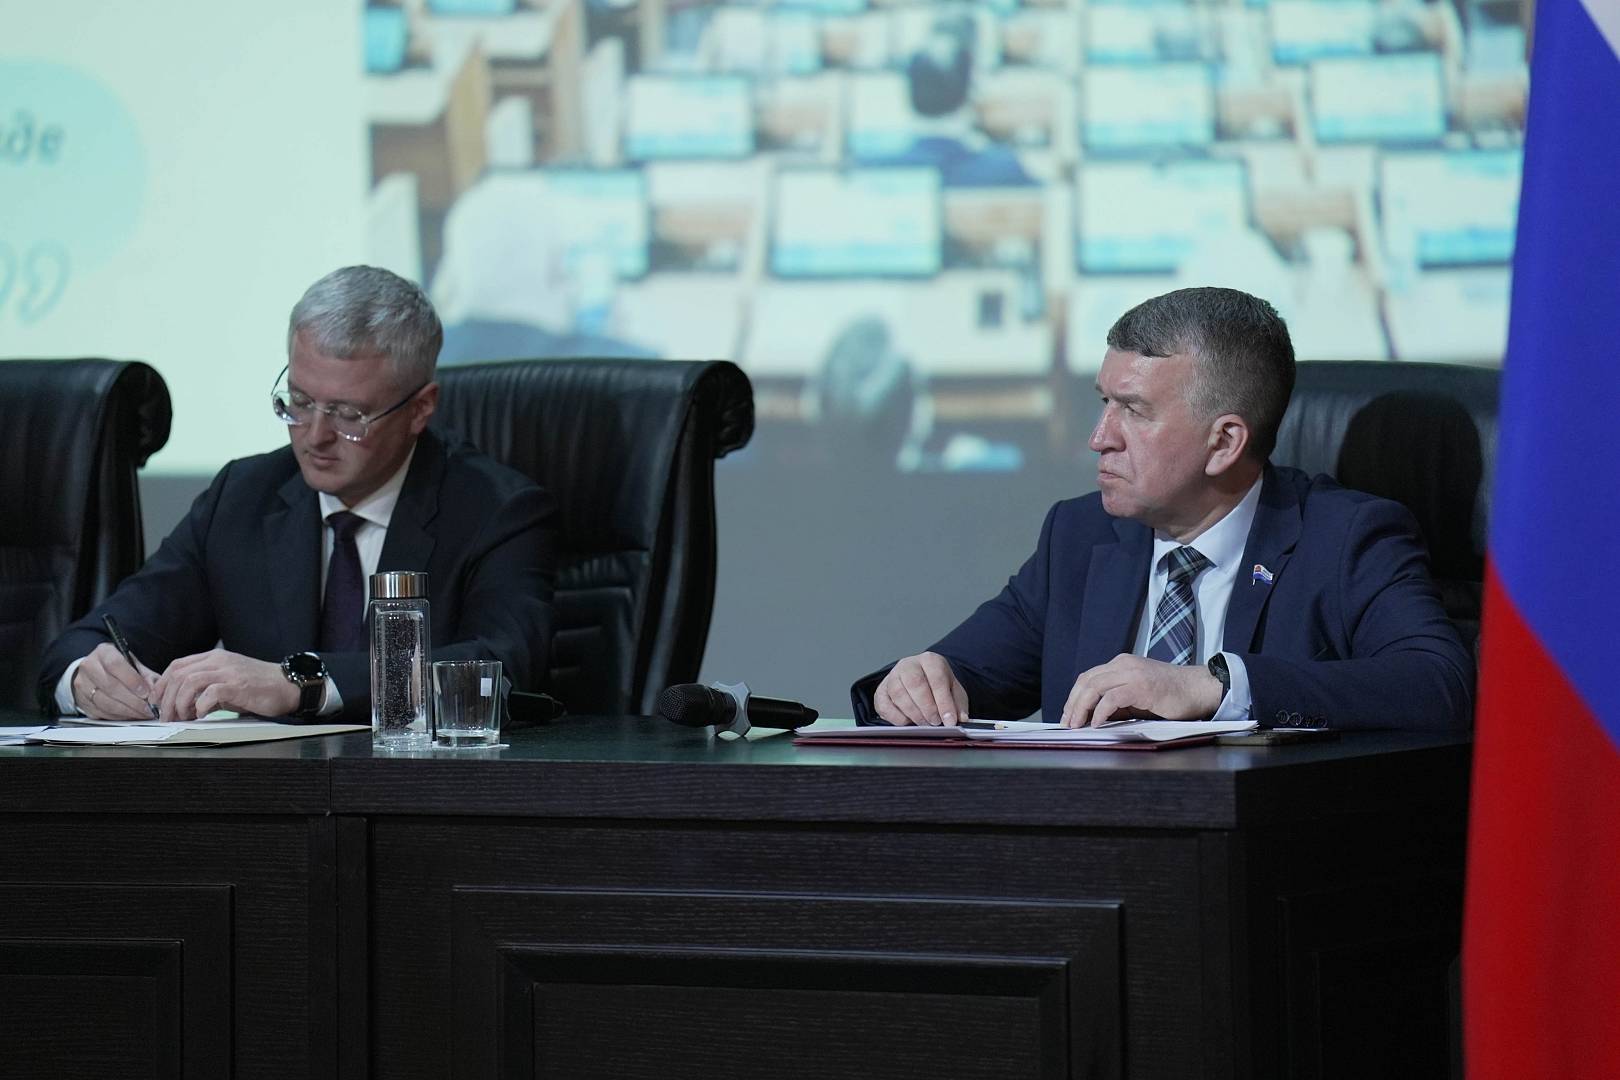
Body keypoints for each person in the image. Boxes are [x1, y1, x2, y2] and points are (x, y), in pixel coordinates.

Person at [852, 286, 1473, 731]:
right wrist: (916, 684)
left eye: (1134, 410)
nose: (1099, 437)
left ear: (1224, 442)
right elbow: (959, 675)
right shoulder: (1080, 536)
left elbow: (1439, 684)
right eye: (1104, 402)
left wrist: (1215, 686)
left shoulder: (1344, 538)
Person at [38, 265, 557, 722]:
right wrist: (86, 677)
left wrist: (304, 684)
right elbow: (88, 641)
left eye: (349, 414)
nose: (315, 436)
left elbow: (498, 670)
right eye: (299, 402)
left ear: (421, 408)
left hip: (425, 790)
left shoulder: (496, 510)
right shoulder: (244, 497)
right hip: (270, 793)